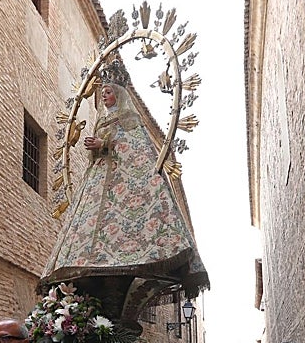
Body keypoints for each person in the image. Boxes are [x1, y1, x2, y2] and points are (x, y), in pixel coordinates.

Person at [40, 76, 208, 326]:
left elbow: (138, 148)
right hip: (98, 185)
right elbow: (98, 154)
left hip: (125, 186)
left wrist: (106, 143)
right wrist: (96, 147)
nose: (104, 96)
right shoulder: (101, 121)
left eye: (108, 92)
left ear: (119, 94)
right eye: (102, 93)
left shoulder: (129, 118)